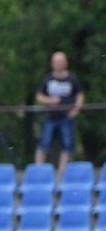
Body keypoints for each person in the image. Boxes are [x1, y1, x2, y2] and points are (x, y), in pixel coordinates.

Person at [34, 51, 85, 179]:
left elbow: (80, 94)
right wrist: (49, 100)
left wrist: (77, 109)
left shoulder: (72, 79)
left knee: (68, 143)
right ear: (52, 64)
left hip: (66, 117)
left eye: (61, 61)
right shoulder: (47, 79)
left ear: (66, 63)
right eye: (56, 61)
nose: (58, 64)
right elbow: (39, 96)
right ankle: (38, 170)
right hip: (50, 117)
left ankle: (62, 171)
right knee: (44, 142)